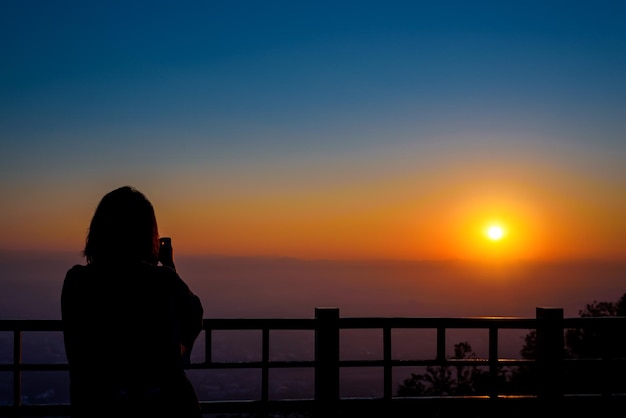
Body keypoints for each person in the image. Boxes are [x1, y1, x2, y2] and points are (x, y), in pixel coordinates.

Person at [61, 186, 204, 418]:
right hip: (162, 408)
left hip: (96, 407)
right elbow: (193, 311)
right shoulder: (162, 281)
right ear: (147, 233)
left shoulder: (77, 281)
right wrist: (167, 268)